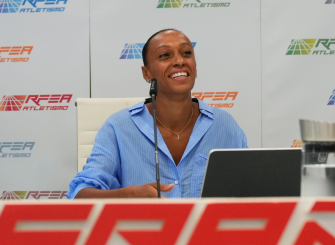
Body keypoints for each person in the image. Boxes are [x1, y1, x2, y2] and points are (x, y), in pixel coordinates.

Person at [68, 29, 247, 198]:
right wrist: (129, 196)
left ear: (195, 66)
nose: (179, 61)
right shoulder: (118, 127)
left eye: (186, 53)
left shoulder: (224, 125)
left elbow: (251, 191)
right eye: (165, 55)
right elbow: (79, 194)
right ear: (147, 73)